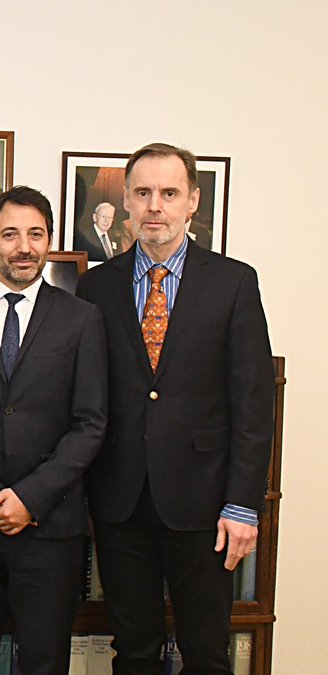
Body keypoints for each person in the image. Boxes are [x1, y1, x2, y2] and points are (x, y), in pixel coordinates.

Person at [76, 143, 273, 675]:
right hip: (120, 503)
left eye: (168, 193)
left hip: (206, 504)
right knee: (133, 651)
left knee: (206, 653)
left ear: (193, 202)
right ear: (127, 205)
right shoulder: (96, 286)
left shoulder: (233, 283)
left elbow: (253, 404)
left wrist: (242, 504)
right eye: (142, 194)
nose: (154, 206)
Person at [0, 186, 108, 674]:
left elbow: (91, 423)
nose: (24, 247)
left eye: (35, 234)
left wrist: (30, 498)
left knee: (45, 660)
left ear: (49, 241)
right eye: (10, 234)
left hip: (51, 525)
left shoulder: (82, 319)